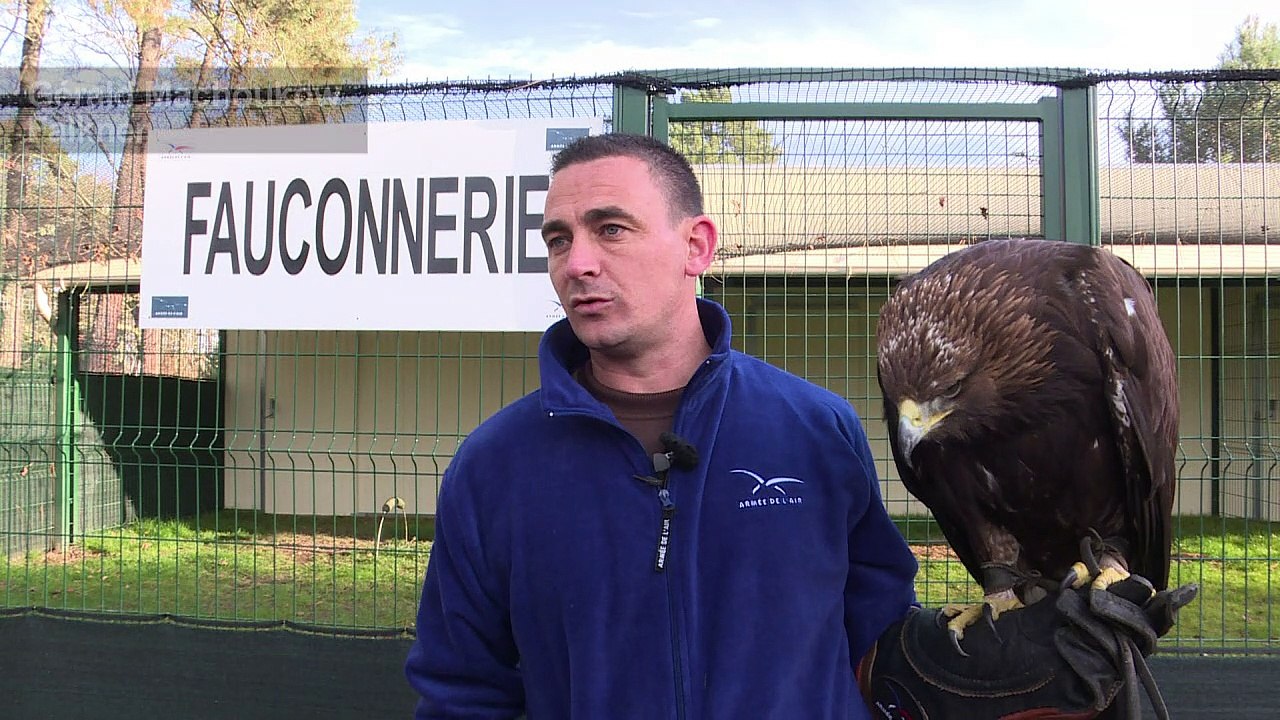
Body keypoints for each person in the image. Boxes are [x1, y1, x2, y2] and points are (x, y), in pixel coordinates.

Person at [405, 133, 1194, 719]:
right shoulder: (495, 467)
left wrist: (995, 669)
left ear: (696, 246)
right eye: (558, 238)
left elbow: (875, 649)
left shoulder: (814, 431)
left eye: (611, 229)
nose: (577, 262)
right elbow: (460, 690)